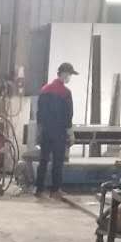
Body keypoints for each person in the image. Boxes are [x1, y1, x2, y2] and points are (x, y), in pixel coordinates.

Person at [36, 62, 77, 199]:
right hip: (59, 132)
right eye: (69, 75)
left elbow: (39, 114)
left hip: (46, 131)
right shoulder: (66, 93)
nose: (69, 78)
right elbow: (68, 115)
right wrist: (70, 134)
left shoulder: (44, 90)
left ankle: (39, 189)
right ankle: (55, 190)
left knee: (43, 160)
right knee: (57, 162)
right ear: (64, 74)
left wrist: (40, 131)